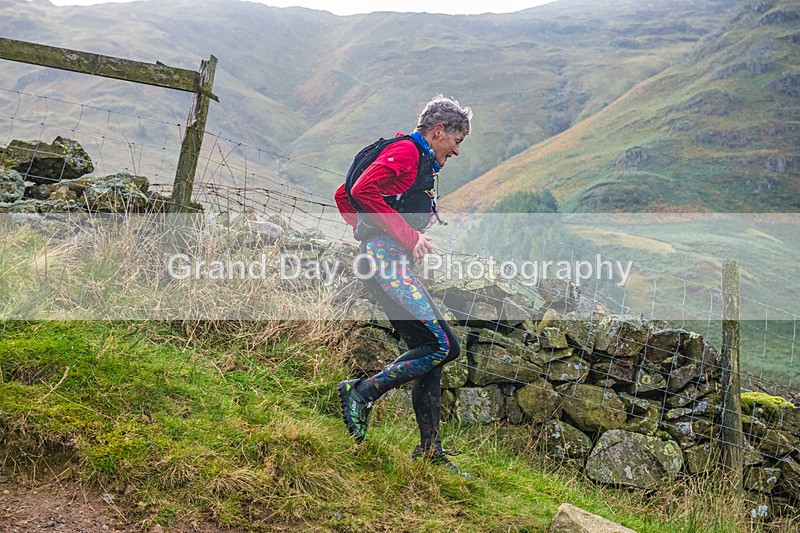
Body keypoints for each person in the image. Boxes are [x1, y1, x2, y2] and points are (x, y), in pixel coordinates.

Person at [334, 95, 473, 479]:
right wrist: (402, 236)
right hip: (384, 263)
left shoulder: (418, 158)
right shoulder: (408, 152)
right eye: (456, 140)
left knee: (429, 348)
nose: (458, 151)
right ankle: (361, 392)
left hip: (385, 261)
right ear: (439, 130)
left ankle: (431, 451)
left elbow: (343, 195)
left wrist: (368, 231)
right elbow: (361, 190)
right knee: (446, 346)